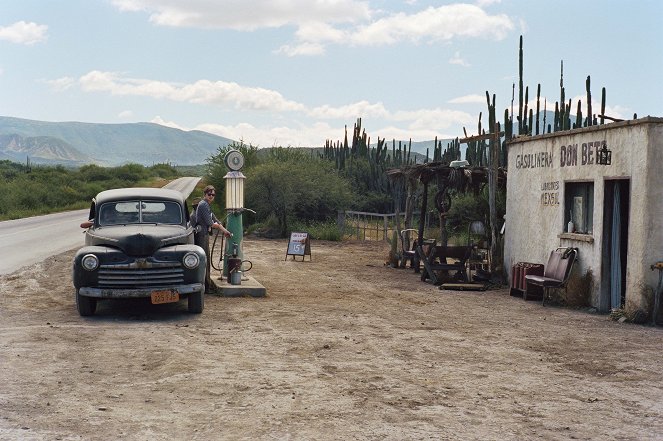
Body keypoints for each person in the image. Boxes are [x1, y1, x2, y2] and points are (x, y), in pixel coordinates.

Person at [195, 185, 232, 293]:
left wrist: (224, 230)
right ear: (205, 194)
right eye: (209, 194)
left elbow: (215, 219)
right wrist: (222, 229)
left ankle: (207, 284)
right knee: (204, 260)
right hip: (201, 234)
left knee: (206, 258)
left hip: (205, 234)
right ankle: (205, 287)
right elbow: (210, 222)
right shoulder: (203, 205)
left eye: (213, 195)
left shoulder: (207, 205)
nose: (211, 196)